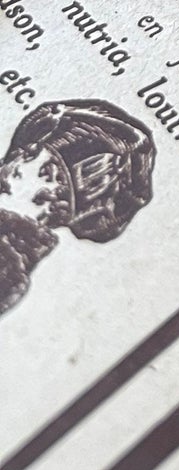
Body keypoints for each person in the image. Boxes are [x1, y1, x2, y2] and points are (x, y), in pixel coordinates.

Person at [0, 99, 155, 315]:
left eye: (48, 172)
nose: (17, 165)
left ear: (56, 206)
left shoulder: (6, 264)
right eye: (27, 152)